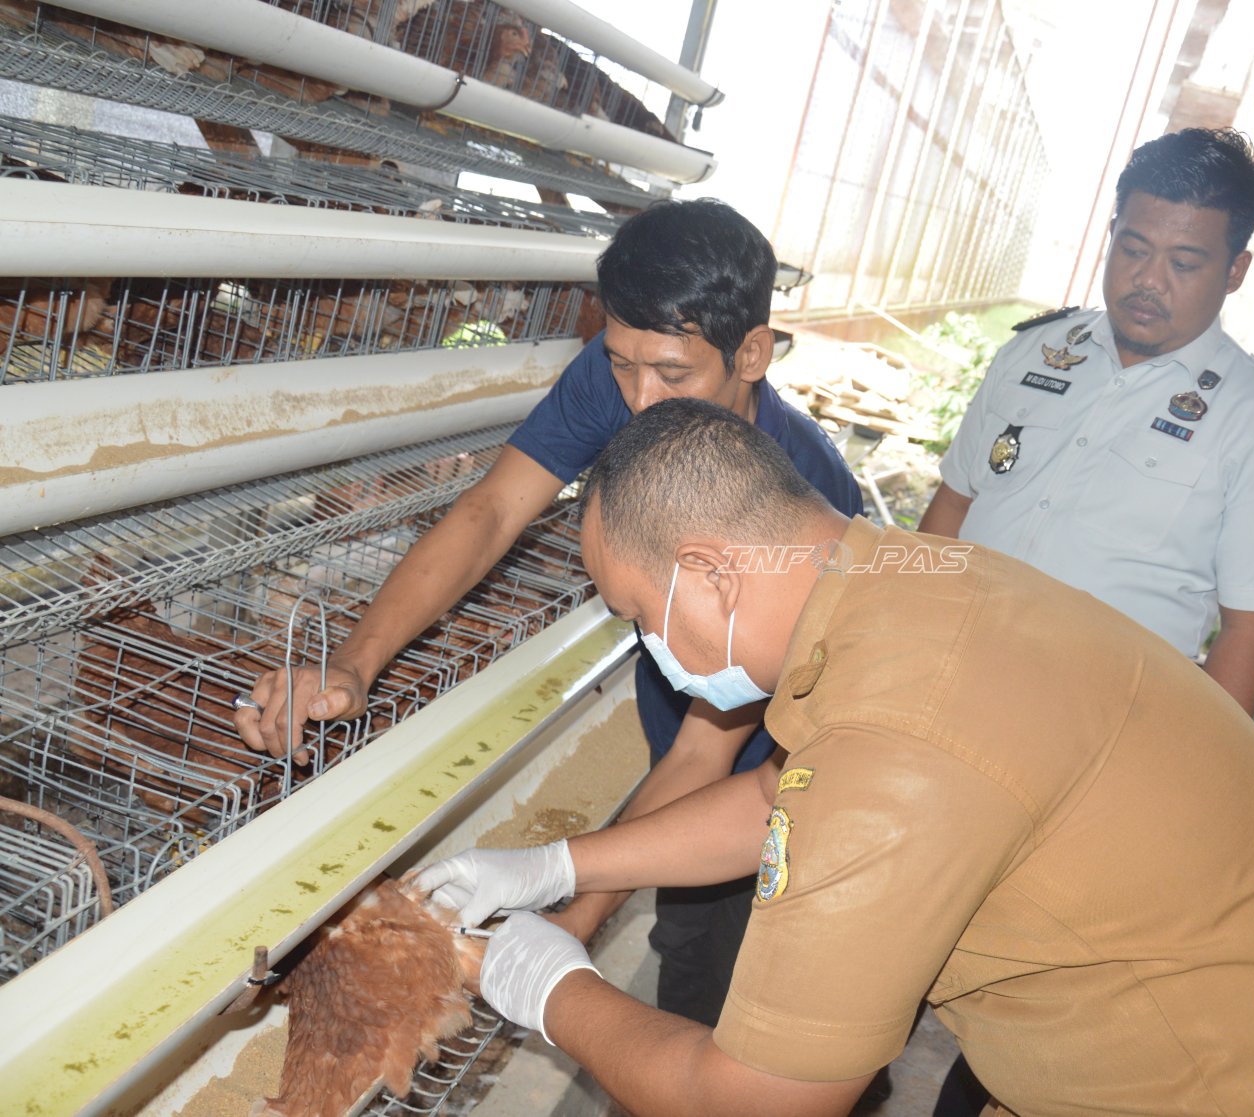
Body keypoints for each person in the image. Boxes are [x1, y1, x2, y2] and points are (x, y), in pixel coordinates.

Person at [416, 398, 1254, 1117]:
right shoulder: (913, 585)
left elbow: (756, 1098)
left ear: (713, 577)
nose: (647, 641)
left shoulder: (898, 746)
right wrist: (566, 866)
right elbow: (782, 797)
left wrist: (553, 987)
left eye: (639, 612)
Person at [232, 199, 864, 1033]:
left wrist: (566, 932)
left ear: (752, 352)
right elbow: (492, 511)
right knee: (685, 930)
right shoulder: (627, 374)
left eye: (671, 375)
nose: (640, 400)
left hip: (785, 761)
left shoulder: (799, 500)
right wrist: (354, 662)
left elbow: (704, 755)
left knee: (755, 975)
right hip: (686, 717)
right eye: (622, 365)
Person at [920, 127, 1254, 718]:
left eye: (1184, 263)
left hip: (1088, 729)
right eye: (1133, 250)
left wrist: (1178, 769)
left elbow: (1253, 631)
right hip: (940, 672)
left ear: (1235, 271)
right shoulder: (1037, 351)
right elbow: (954, 505)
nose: (1149, 281)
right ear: (1110, 236)